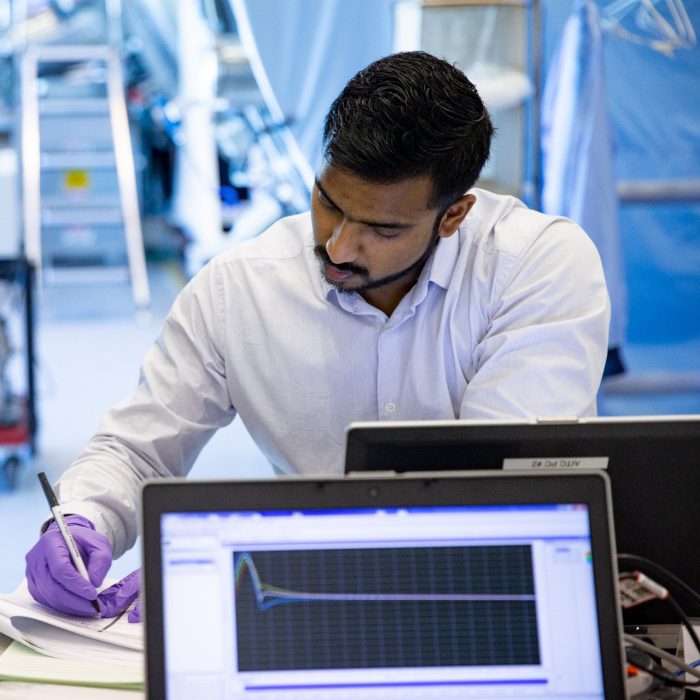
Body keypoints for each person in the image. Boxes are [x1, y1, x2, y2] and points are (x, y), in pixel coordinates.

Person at [25, 51, 610, 621]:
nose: (338, 247)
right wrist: (82, 520)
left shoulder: (537, 267)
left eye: (382, 229)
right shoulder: (239, 290)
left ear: (453, 216)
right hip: (308, 613)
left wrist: (259, 566)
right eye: (329, 203)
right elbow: (136, 448)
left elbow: (505, 497)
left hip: (484, 604)